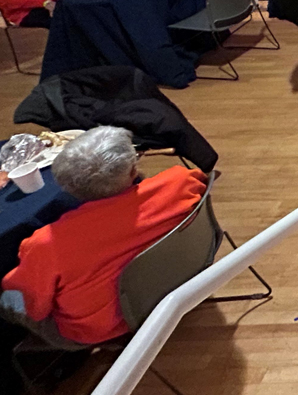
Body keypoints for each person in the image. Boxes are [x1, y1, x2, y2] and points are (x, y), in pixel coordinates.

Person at [0, 126, 207, 346]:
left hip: (100, 328)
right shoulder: (181, 181)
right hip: (182, 276)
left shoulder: (46, 244)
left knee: (7, 297)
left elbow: (33, 306)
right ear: (132, 172)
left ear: (65, 187)